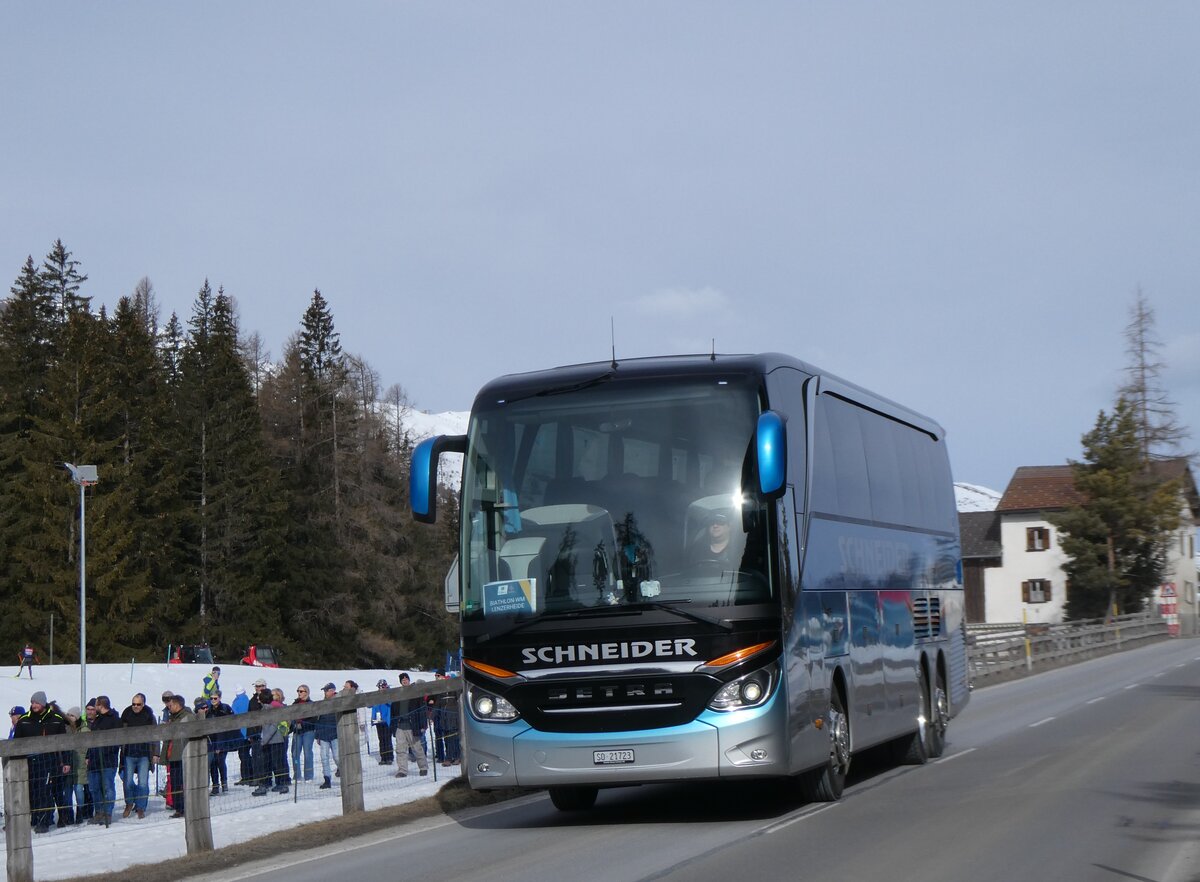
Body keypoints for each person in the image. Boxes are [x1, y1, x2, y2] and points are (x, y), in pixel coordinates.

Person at [13, 691, 71, 834]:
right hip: (30, 762)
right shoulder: (24, 720)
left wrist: (66, 762)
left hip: (49, 761)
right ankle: (35, 817)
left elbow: (64, 743)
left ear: (43, 703)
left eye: (37, 703)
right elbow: (16, 744)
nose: (34, 705)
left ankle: (44, 821)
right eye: (32, 702)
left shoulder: (55, 719)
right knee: (32, 792)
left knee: (44, 792)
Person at [154, 694, 193, 819]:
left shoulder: (187, 717)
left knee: (183, 783)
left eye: (170, 705)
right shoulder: (173, 718)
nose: (169, 708)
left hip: (183, 755)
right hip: (173, 755)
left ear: (177, 705)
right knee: (175, 783)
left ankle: (187, 807)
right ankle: (178, 808)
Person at [86, 696, 122, 825]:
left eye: (96, 705)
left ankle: (107, 813)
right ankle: (99, 812)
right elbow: (92, 740)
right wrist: (88, 755)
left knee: (107, 787)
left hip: (108, 760)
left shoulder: (115, 720)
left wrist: (106, 751)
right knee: (95, 788)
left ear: (100, 705)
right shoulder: (97, 720)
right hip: (94, 759)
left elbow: (117, 740)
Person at [119, 692, 156, 819]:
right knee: (127, 781)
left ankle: (141, 807)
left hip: (144, 754)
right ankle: (129, 803)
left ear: (143, 704)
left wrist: (155, 753)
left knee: (143, 783)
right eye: (133, 704)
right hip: (129, 753)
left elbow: (155, 735)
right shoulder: (126, 714)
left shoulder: (149, 716)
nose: (135, 706)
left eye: (138, 704)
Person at [390, 673, 429, 777]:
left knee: (417, 748)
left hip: (413, 725)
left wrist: (423, 725)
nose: (405, 681)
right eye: (402, 680)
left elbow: (422, 710)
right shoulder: (397, 694)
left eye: (406, 679)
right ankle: (402, 770)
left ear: (409, 680)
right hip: (400, 726)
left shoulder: (415, 693)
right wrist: (393, 727)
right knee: (400, 750)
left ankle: (423, 767)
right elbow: (393, 712)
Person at [206, 690, 235, 795]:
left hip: (222, 739)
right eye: (211, 698)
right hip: (211, 741)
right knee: (212, 764)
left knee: (221, 762)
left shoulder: (225, 709)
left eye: (215, 698)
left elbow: (230, 726)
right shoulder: (208, 710)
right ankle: (215, 786)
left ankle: (224, 783)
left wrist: (221, 744)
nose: (213, 700)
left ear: (219, 698)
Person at [64, 707, 88, 825]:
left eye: (72, 715)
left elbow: (87, 748)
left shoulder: (84, 730)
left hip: (80, 764)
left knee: (78, 789)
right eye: (68, 714)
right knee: (67, 791)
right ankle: (68, 813)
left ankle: (80, 811)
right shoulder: (65, 729)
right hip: (68, 764)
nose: (69, 717)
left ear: (77, 717)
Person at [313, 682, 339, 789]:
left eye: (326, 690)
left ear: (332, 691)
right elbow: (318, 720)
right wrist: (318, 735)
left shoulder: (338, 702)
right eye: (324, 691)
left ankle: (344, 771)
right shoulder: (321, 704)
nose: (325, 693)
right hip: (323, 734)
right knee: (324, 757)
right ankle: (327, 779)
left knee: (337, 756)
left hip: (335, 734)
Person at [289, 684, 316, 783]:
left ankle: (308, 775)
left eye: (301, 691)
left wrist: (303, 724)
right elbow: (291, 715)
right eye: (298, 691)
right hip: (297, 731)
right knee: (295, 753)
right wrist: (293, 725)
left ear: (307, 692)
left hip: (308, 731)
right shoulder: (295, 703)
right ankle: (297, 775)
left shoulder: (311, 703)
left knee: (307, 752)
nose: (299, 693)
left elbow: (313, 718)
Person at [230, 685, 252, 784]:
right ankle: (251, 774)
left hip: (241, 734)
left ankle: (246, 777)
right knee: (247, 754)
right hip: (249, 732)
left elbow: (233, 716)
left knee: (243, 755)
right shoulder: (248, 700)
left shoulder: (237, 702)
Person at [372, 680, 394, 765]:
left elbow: (390, 703)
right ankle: (383, 758)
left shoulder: (389, 694)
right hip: (378, 721)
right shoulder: (375, 695)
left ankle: (389, 757)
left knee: (387, 739)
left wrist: (385, 694)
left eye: (383, 686)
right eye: (380, 686)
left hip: (387, 720)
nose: (381, 688)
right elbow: (369, 705)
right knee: (381, 739)